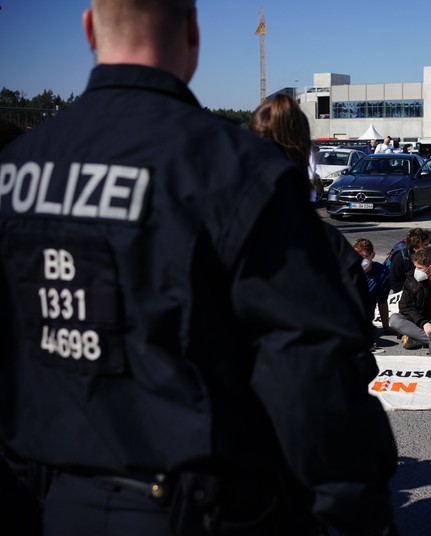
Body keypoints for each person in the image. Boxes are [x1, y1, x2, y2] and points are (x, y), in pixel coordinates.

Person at [0, 2, 398, 534]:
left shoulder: (17, 168)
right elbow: (306, 380)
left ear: (90, 28)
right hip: (192, 507)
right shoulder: (233, 172)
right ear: (192, 31)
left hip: (53, 501)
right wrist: (358, 515)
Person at [354, 238, 393, 341]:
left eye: (364, 257)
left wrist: (386, 328)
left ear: (372, 255)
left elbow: (382, 302)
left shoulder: (382, 272)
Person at [388, 227, 431, 292]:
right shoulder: (400, 258)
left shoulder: (425, 253)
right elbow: (394, 281)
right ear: (416, 248)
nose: (428, 247)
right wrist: (411, 289)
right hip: (404, 291)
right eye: (426, 245)